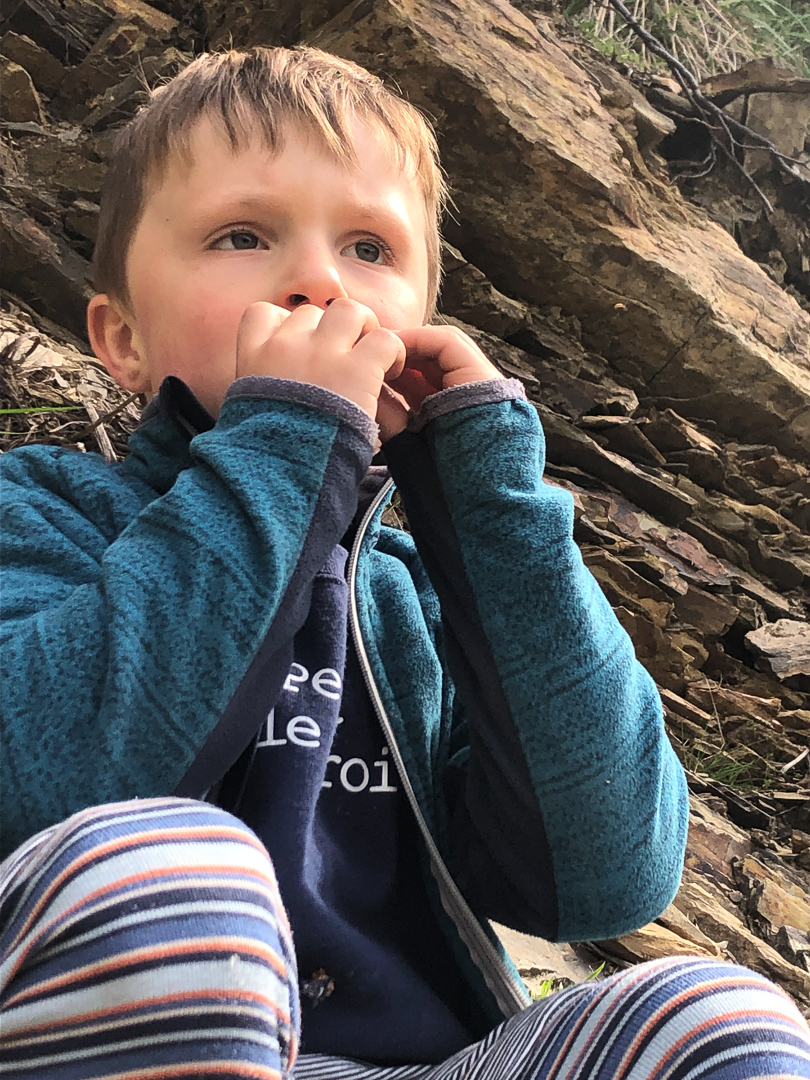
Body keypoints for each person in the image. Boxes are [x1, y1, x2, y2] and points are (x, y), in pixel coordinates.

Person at [1, 45, 808, 1080]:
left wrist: (491, 505)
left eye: (370, 248)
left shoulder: (421, 589)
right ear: (121, 339)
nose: (320, 280)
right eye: (242, 235)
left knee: (716, 1019)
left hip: (422, 1064)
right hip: (124, 1016)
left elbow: (608, 879)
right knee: (179, 879)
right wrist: (285, 440)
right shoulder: (43, 508)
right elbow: (41, 785)